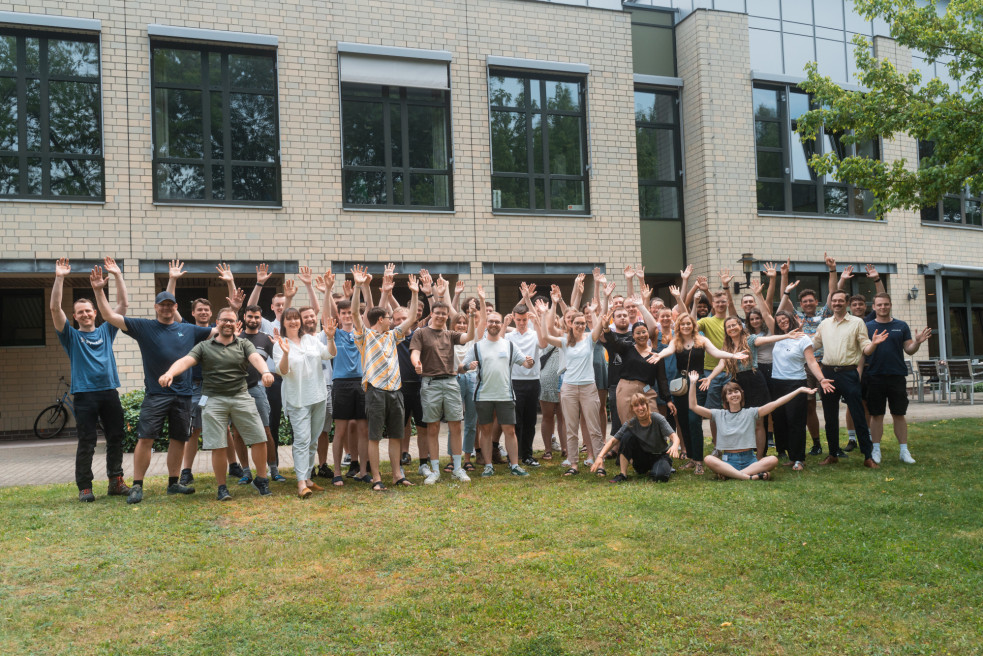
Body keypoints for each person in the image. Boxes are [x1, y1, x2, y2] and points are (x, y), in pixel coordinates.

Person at [95, 275, 213, 503]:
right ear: (156, 307)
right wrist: (99, 290)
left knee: (179, 439)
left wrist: (235, 311)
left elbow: (219, 333)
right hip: (156, 394)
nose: (167, 308)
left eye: (170, 305)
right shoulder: (144, 327)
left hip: (184, 394)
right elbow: (109, 316)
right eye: (163, 305)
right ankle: (138, 485)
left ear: (175, 307)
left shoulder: (189, 329)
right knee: (145, 438)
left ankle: (173, 483)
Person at [158, 307, 274, 501]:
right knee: (218, 445)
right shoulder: (204, 346)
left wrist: (265, 372)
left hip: (240, 396)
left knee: (259, 438)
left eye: (231, 320)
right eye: (224, 320)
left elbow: (255, 358)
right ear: (217, 322)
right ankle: (222, 487)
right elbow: (186, 360)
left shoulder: (243, 344)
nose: (227, 323)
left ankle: (261, 480)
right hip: (214, 399)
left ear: (236, 322)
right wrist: (170, 373)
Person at [51, 258, 130, 502]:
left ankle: (115, 481)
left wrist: (116, 275)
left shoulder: (107, 330)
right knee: (87, 441)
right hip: (84, 394)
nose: (85, 314)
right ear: (74, 317)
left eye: (88, 311)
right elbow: (55, 309)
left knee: (116, 437)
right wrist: (60, 277)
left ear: (95, 313)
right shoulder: (71, 337)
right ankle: (85, 486)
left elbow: (123, 304)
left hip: (109, 392)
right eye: (80, 312)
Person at [351, 266, 420, 490]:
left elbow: (409, 320)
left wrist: (415, 293)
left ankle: (397, 475)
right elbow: (354, 314)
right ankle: (377, 477)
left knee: (396, 436)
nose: (393, 320)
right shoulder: (365, 336)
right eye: (389, 318)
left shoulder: (392, 336)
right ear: (381, 319)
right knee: (374, 436)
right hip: (376, 391)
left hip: (395, 391)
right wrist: (359, 287)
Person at [812, 289, 888, 468]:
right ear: (831, 303)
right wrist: (796, 341)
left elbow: (865, 348)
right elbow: (813, 345)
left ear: (846, 303)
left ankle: (867, 456)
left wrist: (874, 344)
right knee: (830, 416)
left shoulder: (857, 323)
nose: (837, 303)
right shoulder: (824, 324)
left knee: (858, 414)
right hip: (828, 374)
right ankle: (832, 453)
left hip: (848, 373)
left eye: (840, 301)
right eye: (834, 301)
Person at [691, 372, 816, 481]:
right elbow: (693, 406)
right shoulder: (718, 414)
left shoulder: (751, 412)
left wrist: (799, 390)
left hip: (750, 460)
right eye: (730, 393)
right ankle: (749, 476)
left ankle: (731, 474)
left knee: (772, 460)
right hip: (728, 460)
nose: (734, 395)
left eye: (736, 391)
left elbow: (776, 403)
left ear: (741, 394)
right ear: (726, 398)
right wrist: (692, 383)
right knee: (708, 459)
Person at [465, 289, 536, 477]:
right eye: (491, 321)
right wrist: (467, 366)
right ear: (486, 324)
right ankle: (488, 465)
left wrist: (530, 362)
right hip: (484, 395)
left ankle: (514, 465)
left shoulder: (509, 345)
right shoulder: (477, 346)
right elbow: (462, 365)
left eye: (497, 321)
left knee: (510, 431)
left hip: (505, 394)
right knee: (486, 431)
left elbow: (526, 364)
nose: (494, 324)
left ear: (500, 323)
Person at [535, 288, 605, 476]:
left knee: (594, 427)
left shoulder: (590, 339)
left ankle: (599, 463)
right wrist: (544, 314)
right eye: (577, 323)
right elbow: (546, 335)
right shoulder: (565, 341)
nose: (581, 326)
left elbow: (598, 327)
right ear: (571, 325)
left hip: (589, 387)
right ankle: (574, 464)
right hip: (569, 388)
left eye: (583, 323)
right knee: (571, 428)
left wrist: (597, 311)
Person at [410, 292, 475, 484]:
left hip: (451, 382)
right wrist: (417, 363)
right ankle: (436, 470)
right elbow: (415, 352)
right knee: (433, 427)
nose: (440, 316)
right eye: (437, 313)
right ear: (432, 313)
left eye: (444, 314)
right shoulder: (420, 333)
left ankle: (457, 468)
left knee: (456, 425)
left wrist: (471, 316)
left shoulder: (450, 334)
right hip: (430, 383)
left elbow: (470, 335)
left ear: (447, 316)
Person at [273, 304, 337, 498]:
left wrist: (331, 338)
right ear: (283, 322)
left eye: (296, 318)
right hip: (297, 399)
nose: (293, 321)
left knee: (313, 440)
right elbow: (282, 371)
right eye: (289, 318)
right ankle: (301, 483)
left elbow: (330, 354)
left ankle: (308, 477)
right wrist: (285, 353)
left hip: (318, 395)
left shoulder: (311, 339)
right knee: (301, 440)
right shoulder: (279, 344)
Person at [778, 254, 838, 456]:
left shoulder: (825, 315)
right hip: (805, 367)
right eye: (804, 301)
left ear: (816, 302)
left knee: (830, 407)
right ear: (801, 304)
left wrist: (832, 270)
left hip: (825, 363)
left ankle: (834, 446)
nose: (808, 304)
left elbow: (833, 292)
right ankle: (816, 443)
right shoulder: (796, 317)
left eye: (811, 301)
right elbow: (784, 300)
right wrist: (784, 276)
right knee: (809, 405)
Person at [863, 293, 932, 464]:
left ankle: (904, 451)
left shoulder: (901, 325)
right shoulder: (866, 326)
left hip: (897, 376)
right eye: (879, 305)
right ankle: (876, 450)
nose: (883, 307)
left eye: (886, 304)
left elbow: (909, 349)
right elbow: (864, 350)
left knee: (899, 414)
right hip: (874, 376)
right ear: (874, 307)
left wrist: (917, 342)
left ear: (891, 305)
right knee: (876, 415)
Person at [600, 314, 675, 471]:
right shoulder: (627, 348)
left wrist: (667, 399)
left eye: (644, 332)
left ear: (648, 334)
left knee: (654, 420)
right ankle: (631, 456)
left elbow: (661, 379)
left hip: (647, 391)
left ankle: (661, 456)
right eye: (638, 333)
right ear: (633, 335)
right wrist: (607, 328)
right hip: (626, 388)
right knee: (631, 424)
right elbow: (613, 343)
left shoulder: (656, 354)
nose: (641, 335)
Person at [769, 311, 827, 470]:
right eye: (779, 320)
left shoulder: (803, 338)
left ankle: (799, 459)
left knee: (795, 421)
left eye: (785, 319)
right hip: (777, 383)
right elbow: (768, 314)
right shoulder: (778, 337)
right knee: (780, 421)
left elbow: (811, 361)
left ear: (792, 319)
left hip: (795, 383)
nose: (782, 322)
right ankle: (789, 454)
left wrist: (821, 379)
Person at [590, 393, 680, 483]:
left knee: (659, 477)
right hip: (643, 457)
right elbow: (613, 440)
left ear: (647, 405)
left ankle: (664, 467)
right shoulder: (631, 423)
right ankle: (623, 474)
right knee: (626, 436)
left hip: (660, 455)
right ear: (632, 409)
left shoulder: (657, 418)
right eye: (636, 405)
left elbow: (674, 436)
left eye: (642, 404)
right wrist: (600, 456)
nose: (640, 408)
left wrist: (675, 445)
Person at [238, 304, 283, 481]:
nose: (253, 320)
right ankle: (246, 471)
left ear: (260, 318)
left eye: (257, 317)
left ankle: (274, 470)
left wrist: (279, 347)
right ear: (244, 317)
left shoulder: (266, 338)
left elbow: (279, 361)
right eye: (250, 316)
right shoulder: (236, 337)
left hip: (257, 389)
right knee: (238, 432)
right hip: (237, 390)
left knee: (266, 430)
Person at [504, 291, 546, 468]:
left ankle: (528, 454)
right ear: (514, 319)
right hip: (514, 381)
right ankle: (515, 454)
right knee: (516, 421)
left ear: (528, 319)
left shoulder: (534, 334)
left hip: (532, 381)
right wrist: (504, 324)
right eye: (518, 320)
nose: (521, 323)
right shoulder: (508, 336)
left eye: (524, 320)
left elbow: (543, 345)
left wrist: (537, 322)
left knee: (530, 420)